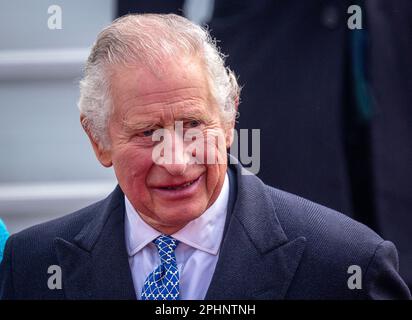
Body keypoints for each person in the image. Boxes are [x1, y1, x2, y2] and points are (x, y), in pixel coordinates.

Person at [0, 14, 410, 300]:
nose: (176, 161)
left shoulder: (345, 265)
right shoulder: (32, 265)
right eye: (147, 133)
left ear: (229, 119)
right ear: (98, 140)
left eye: (193, 125)